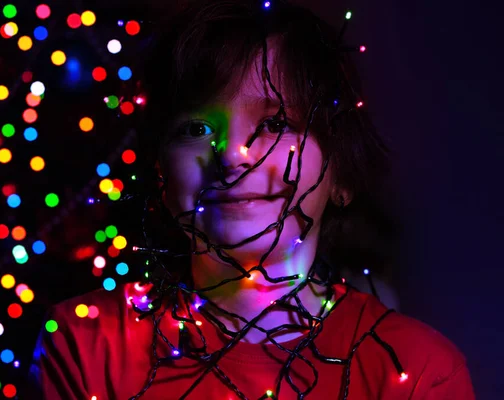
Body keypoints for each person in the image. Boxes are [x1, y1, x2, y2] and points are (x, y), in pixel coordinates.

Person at [28, 1, 474, 398]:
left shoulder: (416, 368)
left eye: (277, 123)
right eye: (196, 129)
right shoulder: (87, 341)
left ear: (342, 173)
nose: (231, 155)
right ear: (159, 171)